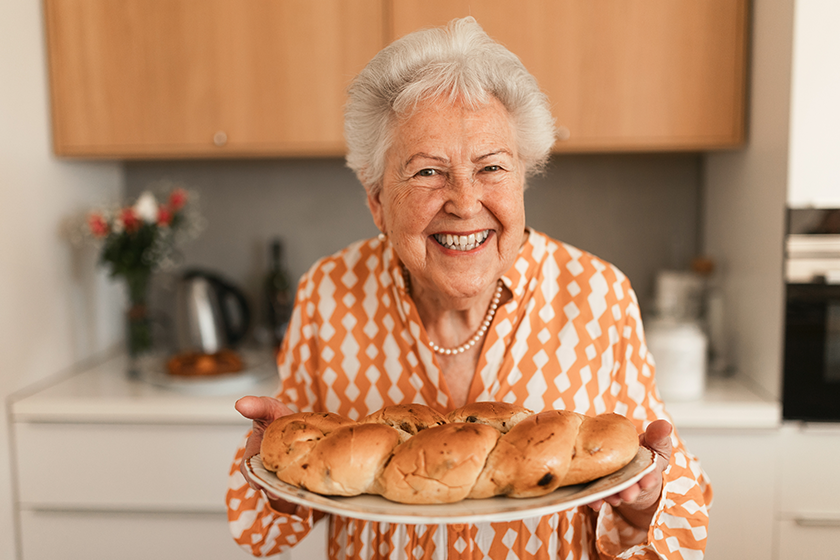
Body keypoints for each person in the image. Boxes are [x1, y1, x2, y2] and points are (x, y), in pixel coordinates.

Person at [227, 17, 711, 560]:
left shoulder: (597, 295)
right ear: (377, 202)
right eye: (428, 172)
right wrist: (276, 470)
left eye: (491, 167)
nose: (464, 200)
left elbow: (684, 522)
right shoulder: (330, 293)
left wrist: (642, 501)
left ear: (523, 180)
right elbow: (262, 531)